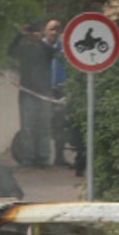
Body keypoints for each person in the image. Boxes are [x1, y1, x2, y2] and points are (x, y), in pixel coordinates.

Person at [8, 20, 57, 168]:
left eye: (37, 31)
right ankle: (27, 159)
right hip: (27, 93)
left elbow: (51, 51)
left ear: (41, 32)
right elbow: (10, 51)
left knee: (44, 127)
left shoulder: (45, 49)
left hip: (44, 92)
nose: (35, 34)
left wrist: (39, 39)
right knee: (27, 127)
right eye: (33, 31)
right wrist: (20, 35)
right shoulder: (24, 48)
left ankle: (43, 159)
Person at [45, 19, 73, 169]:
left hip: (61, 89)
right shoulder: (39, 47)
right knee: (42, 123)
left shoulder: (64, 50)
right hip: (42, 90)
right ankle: (39, 159)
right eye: (51, 29)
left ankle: (59, 157)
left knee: (60, 123)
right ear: (45, 31)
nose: (54, 32)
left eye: (57, 29)